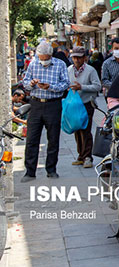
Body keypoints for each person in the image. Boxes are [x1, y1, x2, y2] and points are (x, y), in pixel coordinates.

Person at [21, 42, 70, 182]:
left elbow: (65, 83)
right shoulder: (33, 64)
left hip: (53, 104)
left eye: (46, 58)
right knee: (31, 139)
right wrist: (31, 84)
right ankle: (30, 171)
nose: (44, 61)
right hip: (36, 103)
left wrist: (50, 87)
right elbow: (25, 82)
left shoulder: (60, 64)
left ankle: (51, 169)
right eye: (41, 58)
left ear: (51, 55)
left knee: (53, 139)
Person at [67, 47, 101, 168]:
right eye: (74, 57)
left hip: (87, 104)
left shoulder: (90, 70)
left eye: (79, 57)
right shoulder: (69, 70)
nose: (76, 60)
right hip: (74, 104)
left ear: (84, 58)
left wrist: (82, 87)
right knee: (77, 130)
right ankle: (80, 155)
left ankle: (88, 157)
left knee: (86, 130)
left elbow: (97, 86)